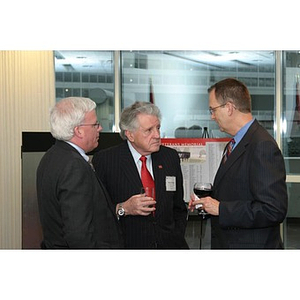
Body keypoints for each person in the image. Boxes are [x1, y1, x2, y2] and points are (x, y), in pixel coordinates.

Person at [189, 78, 288, 249]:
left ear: (229, 108)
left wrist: (221, 209)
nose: (212, 116)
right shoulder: (234, 143)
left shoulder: (262, 145)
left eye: (213, 110)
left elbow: (273, 210)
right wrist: (208, 202)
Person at [92, 101, 189, 249]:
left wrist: (176, 235)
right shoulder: (106, 161)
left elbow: (178, 207)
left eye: (158, 128)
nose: (157, 135)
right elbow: (96, 211)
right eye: (149, 130)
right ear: (130, 134)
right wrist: (124, 208)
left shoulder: (170, 157)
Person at [36, 97, 124, 249]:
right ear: (79, 131)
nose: (100, 128)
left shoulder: (52, 156)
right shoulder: (74, 166)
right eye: (95, 124)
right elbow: (78, 234)